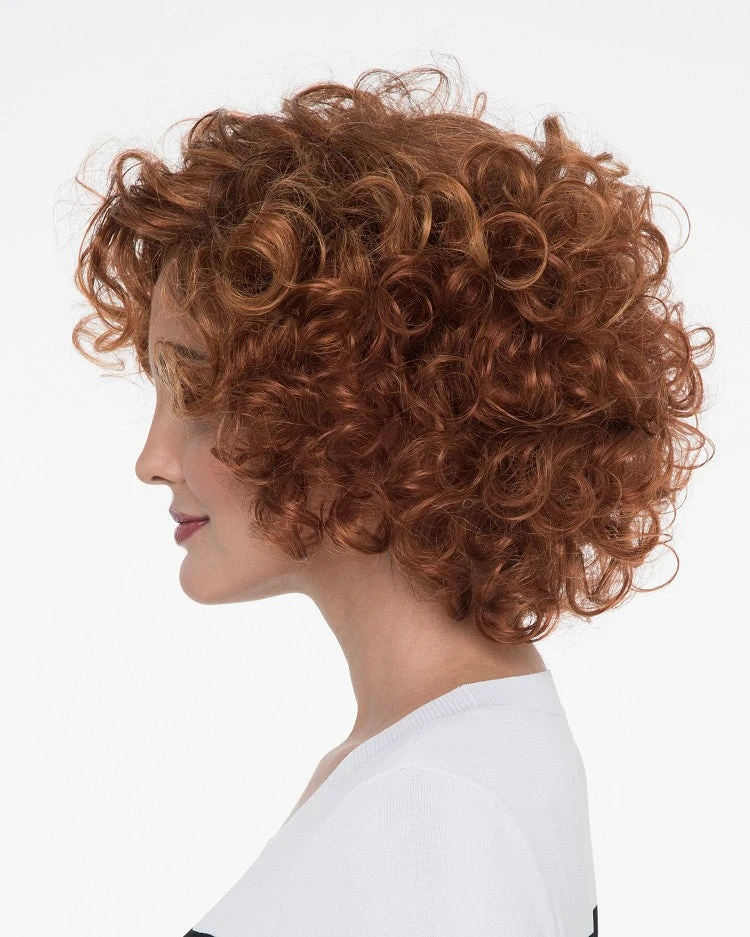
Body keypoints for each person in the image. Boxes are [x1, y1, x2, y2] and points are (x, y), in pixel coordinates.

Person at [70, 62, 714, 937]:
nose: (152, 460)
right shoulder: (451, 749)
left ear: (367, 409)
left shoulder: (426, 809)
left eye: (200, 392)